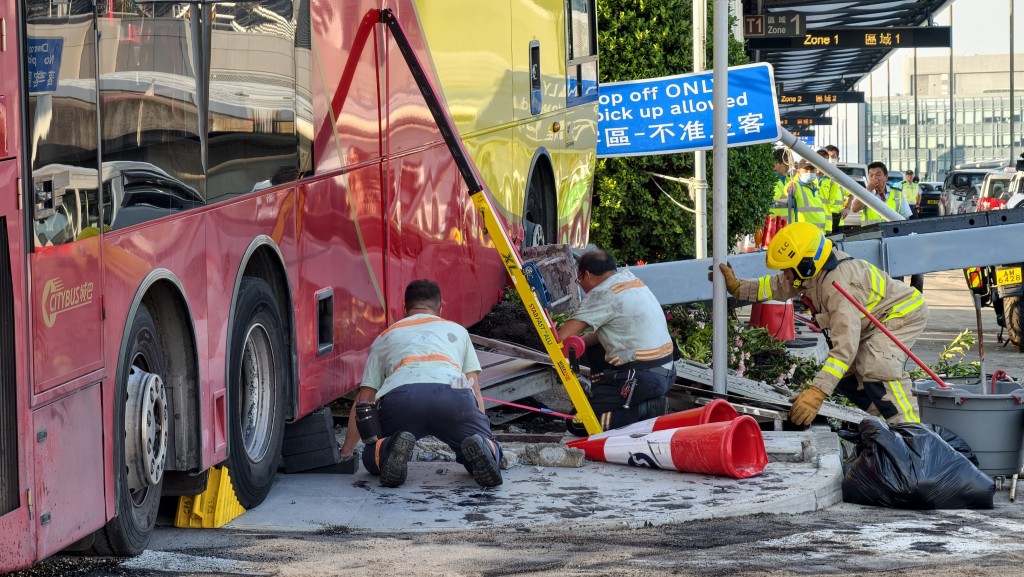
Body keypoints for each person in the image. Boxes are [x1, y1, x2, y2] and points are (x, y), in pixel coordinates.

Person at [712, 222, 927, 426]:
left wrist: (817, 393)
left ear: (806, 265)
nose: (784, 274)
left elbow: (845, 348)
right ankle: (884, 421)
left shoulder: (838, 287)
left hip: (901, 312)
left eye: (787, 269)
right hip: (873, 320)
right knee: (847, 376)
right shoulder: (814, 274)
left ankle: (911, 432)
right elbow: (777, 286)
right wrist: (739, 288)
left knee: (877, 365)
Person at [339, 279, 503, 488]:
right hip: (453, 399)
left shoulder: (384, 337)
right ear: (440, 308)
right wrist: (481, 430)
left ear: (404, 307)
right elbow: (475, 389)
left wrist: (345, 453)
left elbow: (365, 399)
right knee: (482, 448)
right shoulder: (458, 332)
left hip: (403, 401)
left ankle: (389, 447)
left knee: (373, 454)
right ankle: (485, 448)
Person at [557, 249, 675, 432]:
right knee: (595, 347)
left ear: (586, 274)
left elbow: (562, 337)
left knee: (577, 422)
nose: (580, 285)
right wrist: (581, 343)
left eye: (578, 280)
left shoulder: (602, 294)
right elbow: (605, 332)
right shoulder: (631, 281)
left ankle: (645, 409)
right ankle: (611, 397)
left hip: (641, 379)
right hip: (666, 372)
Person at [847, 161, 911, 227]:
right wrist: (868, 189)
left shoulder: (897, 193)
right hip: (870, 233)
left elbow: (905, 217)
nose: (874, 178)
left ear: (886, 177)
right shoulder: (865, 193)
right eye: (871, 175)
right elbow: (854, 209)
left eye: (878, 175)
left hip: (892, 234)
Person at [787, 159, 828, 232]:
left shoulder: (816, 188)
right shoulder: (796, 185)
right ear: (799, 171)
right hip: (804, 233)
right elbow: (788, 188)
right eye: (806, 170)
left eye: (812, 170)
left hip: (819, 233)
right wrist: (789, 187)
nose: (809, 172)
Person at [814, 148, 842, 234]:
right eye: (819, 157)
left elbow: (831, 202)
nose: (822, 160)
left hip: (826, 224)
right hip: (810, 223)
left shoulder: (832, 180)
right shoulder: (807, 177)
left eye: (825, 157)